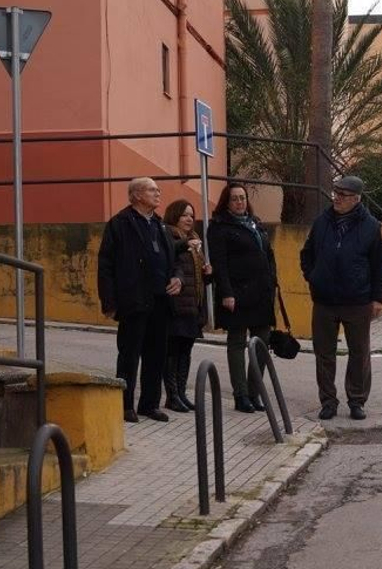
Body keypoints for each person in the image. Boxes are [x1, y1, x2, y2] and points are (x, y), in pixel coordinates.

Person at [300, 174, 382, 421]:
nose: (337, 198)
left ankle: (356, 401)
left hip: (357, 301)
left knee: (359, 353)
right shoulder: (322, 222)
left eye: (343, 195)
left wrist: (377, 297)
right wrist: (313, 277)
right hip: (325, 300)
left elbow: (379, 266)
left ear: (356, 199)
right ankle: (328, 402)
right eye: (336, 193)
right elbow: (306, 254)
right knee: (324, 354)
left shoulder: (370, 226)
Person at [97, 177, 180, 423]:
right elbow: (105, 266)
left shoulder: (160, 225)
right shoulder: (119, 224)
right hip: (133, 299)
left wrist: (178, 278)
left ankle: (149, 404)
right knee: (129, 355)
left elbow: (173, 261)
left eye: (158, 189)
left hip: (160, 300)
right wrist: (110, 302)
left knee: (156, 355)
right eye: (152, 189)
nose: (158, 193)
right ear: (136, 195)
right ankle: (124, 405)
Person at [206, 182, 277, 413]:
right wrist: (226, 292)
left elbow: (268, 255)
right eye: (235, 198)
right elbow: (220, 263)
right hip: (236, 294)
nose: (240, 202)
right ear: (227, 202)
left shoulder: (255, 223)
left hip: (262, 293)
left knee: (262, 343)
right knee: (237, 343)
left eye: (243, 198)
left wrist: (273, 282)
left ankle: (255, 393)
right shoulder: (219, 227)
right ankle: (241, 395)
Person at [161, 198, 210, 412]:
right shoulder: (169, 235)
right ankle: (171, 395)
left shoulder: (195, 239)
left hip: (193, 305)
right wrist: (185, 245)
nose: (190, 219)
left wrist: (207, 272)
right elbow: (168, 254)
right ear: (175, 216)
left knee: (186, 351)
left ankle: (181, 392)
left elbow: (196, 274)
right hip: (177, 304)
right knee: (172, 351)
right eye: (185, 215)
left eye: (192, 215)